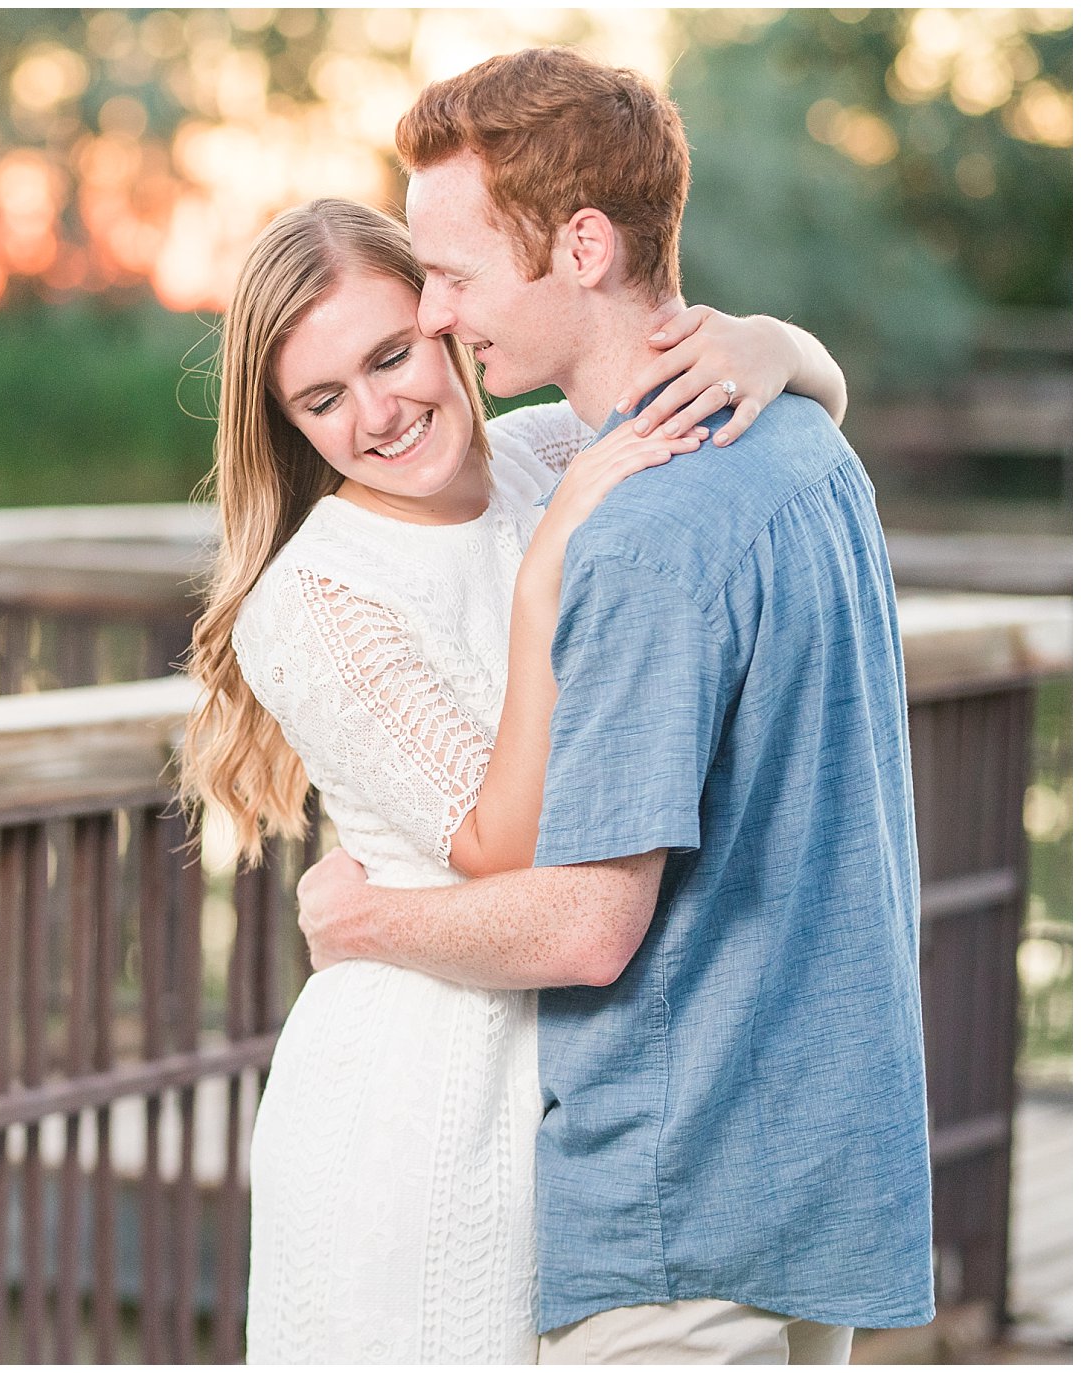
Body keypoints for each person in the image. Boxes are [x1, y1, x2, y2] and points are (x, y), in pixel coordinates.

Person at [291, 48, 932, 1363]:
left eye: (457, 276)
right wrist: (780, 345)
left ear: (582, 244)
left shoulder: (638, 538)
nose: (444, 316)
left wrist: (365, 920)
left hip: (680, 1217)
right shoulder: (809, 446)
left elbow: (589, 924)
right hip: (821, 1177)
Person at [182, 196, 853, 1362]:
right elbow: (503, 843)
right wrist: (543, 576)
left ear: (445, 320)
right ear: (287, 424)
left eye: (390, 355)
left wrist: (772, 345)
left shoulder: (544, 451)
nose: (378, 412)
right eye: (323, 398)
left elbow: (803, 407)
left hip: (591, 1069)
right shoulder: (316, 596)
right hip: (422, 1091)